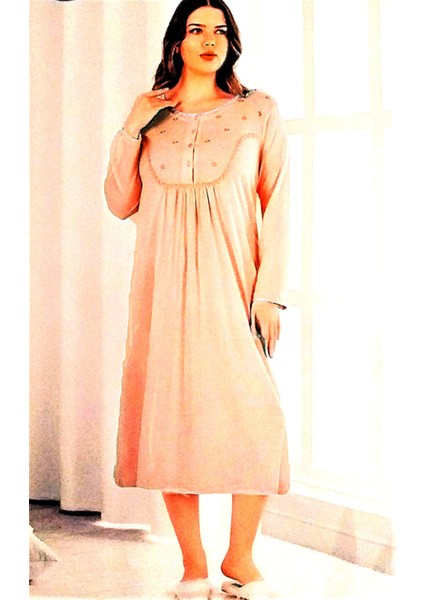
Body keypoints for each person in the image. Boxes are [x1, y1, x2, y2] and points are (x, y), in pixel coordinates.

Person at [104, 1, 290, 598]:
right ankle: (193, 566)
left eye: (220, 31)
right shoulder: (152, 117)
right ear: (177, 43)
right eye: (196, 29)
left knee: (256, 416)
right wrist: (132, 124)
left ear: (232, 42)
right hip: (162, 287)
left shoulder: (258, 110)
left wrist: (270, 295)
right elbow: (120, 200)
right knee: (171, 416)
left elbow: (278, 206)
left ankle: (241, 557)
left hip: (235, 285)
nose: (210, 40)